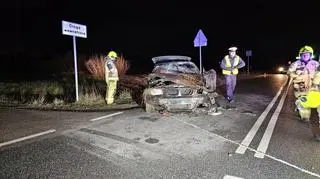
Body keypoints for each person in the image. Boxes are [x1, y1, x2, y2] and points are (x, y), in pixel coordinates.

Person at [288, 45, 319, 122]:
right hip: (300, 89)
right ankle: (305, 117)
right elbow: (289, 72)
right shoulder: (295, 64)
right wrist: (298, 77)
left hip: (314, 88)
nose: (305, 55)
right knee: (303, 105)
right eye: (303, 54)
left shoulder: (316, 64)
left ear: (310, 55)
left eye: (307, 54)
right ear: (300, 55)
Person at [295, 69, 320, 141]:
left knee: (314, 115)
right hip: (315, 97)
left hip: (314, 97)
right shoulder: (316, 74)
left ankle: (317, 133)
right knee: (314, 115)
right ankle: (317, 133)